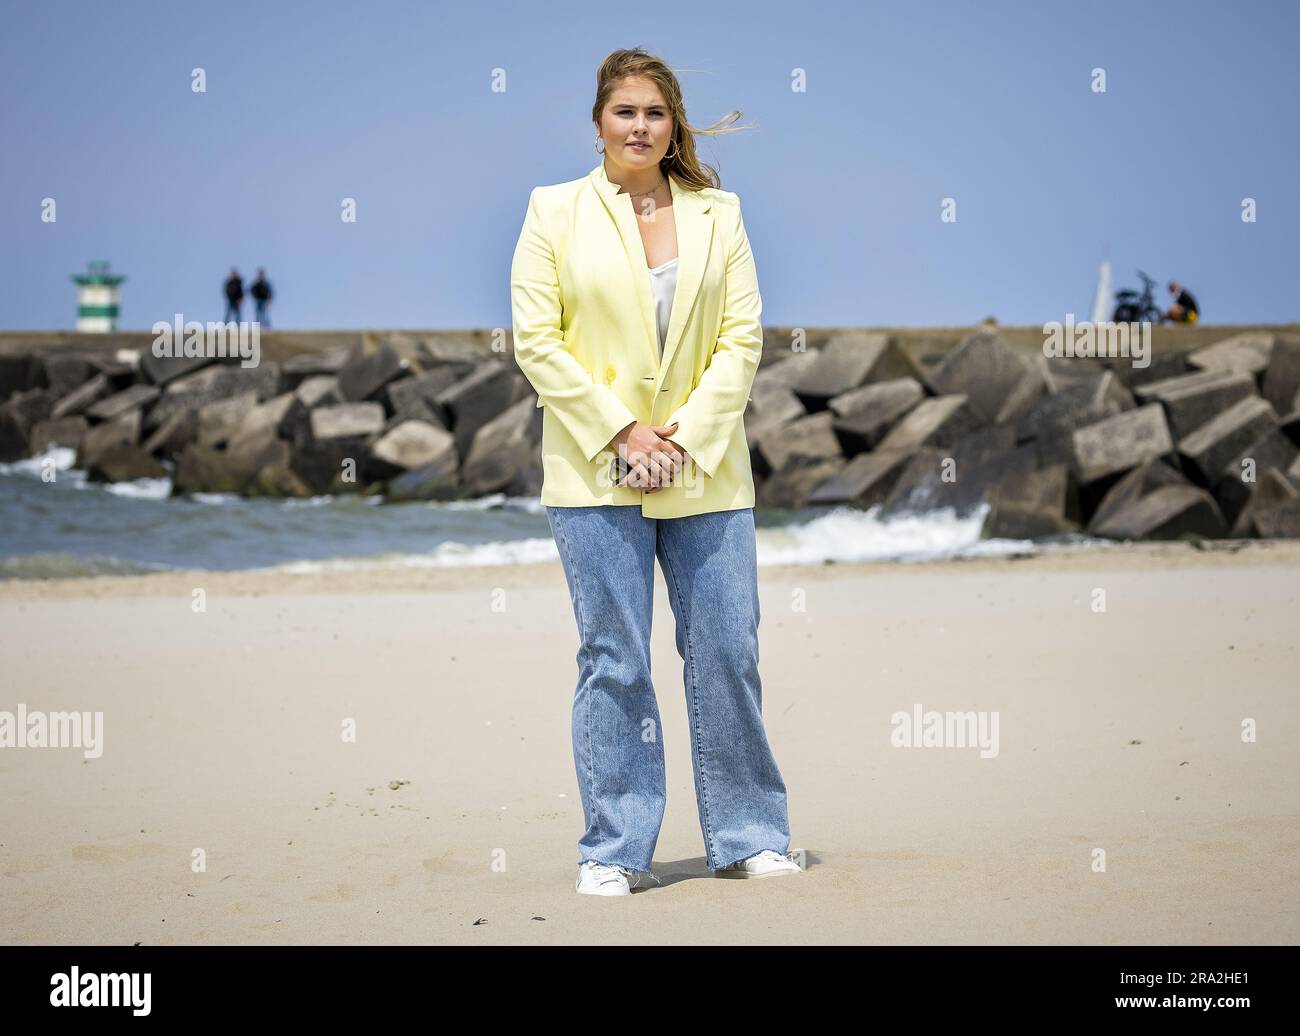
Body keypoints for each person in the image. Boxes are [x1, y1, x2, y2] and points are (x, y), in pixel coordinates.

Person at [510, 47, 799, 897]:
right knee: (615, 658)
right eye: (624, 112)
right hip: (596, 470)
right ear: (598, 120)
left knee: (726, 650)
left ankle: (749, 835)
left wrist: (683, 437)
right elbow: (539, 339)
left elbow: (742, 338)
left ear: (675, 124)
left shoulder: (721, 213)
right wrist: (622, 432)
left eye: (655, 113)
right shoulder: (552, 210)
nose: (640, 127)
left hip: (705, 468)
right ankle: (614, 846)